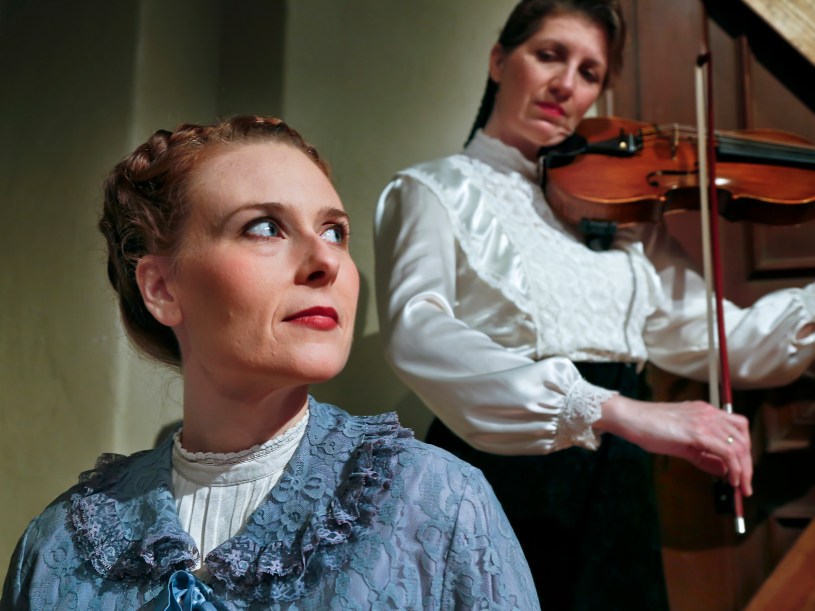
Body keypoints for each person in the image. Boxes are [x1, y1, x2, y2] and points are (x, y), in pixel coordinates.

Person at [374, 1, 815, 609]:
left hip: (617, 492)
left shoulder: (624, 214)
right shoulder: (432, 189)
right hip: (495, 480)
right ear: (500, 60)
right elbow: (417, 333)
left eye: (589, 72)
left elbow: (725, 340)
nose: (566, 84)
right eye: (549, 55)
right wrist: (615, 410)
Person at [1, 116, 539, 610]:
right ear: (161, 287)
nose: (326, 261)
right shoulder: (57, 547)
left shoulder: (440, 504)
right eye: (264, 228)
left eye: (335, 232)